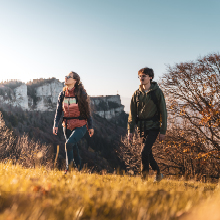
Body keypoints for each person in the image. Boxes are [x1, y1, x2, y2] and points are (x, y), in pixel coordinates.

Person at [127, 67, 167, 182]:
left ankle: (143, 180)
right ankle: (159, 174)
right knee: (148, 154)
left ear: (150, 77)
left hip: (154, 127)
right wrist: (130, 130)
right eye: (140, 76)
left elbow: (163, 112)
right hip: (142, 128)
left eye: (144, 76)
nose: (141, 78)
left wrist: (163, 131)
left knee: (143, 152)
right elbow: (132, 114)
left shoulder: (157, 92)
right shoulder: (136, 94)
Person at [53, 71, 94, 173]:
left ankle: (68, 169)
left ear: (75, 81)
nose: (66, 78)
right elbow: (58, 111)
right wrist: (55, 124)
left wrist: (90, 126)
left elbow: (87, 111)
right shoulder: (62, 94)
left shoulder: (81, 94)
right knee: (73, 147)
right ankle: (80, 170)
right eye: (66, 76)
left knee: (69, 144)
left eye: (69, 77)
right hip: (66, 125)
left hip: (81, 125)